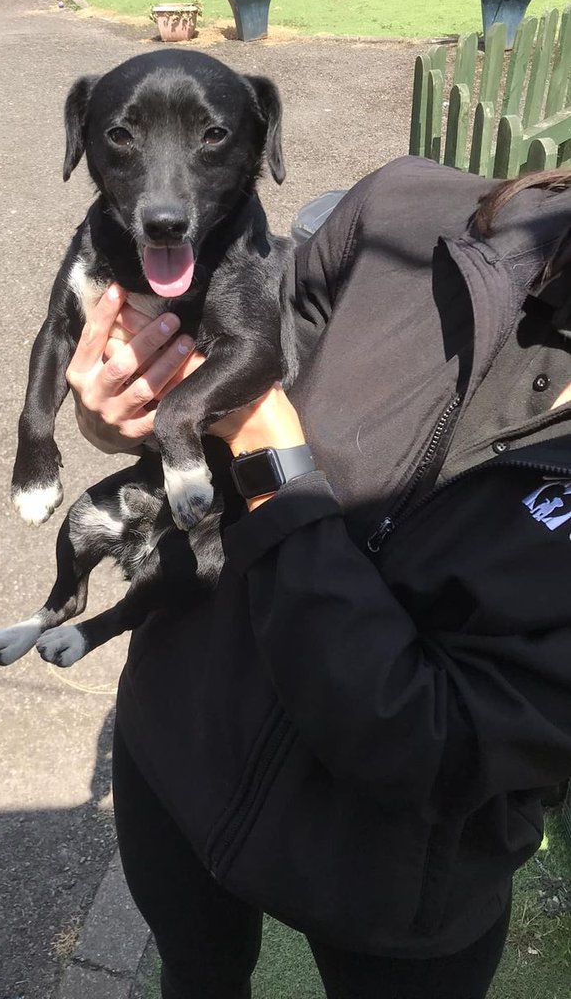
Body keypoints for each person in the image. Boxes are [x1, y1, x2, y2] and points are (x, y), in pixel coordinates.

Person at [63, 155, 571, 999]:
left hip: (399, 881)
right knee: (197, 975)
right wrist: (122, 415)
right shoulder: (406, 213)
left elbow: (428, 741)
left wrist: (270, 456)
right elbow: (216, 376)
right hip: (181, 749)